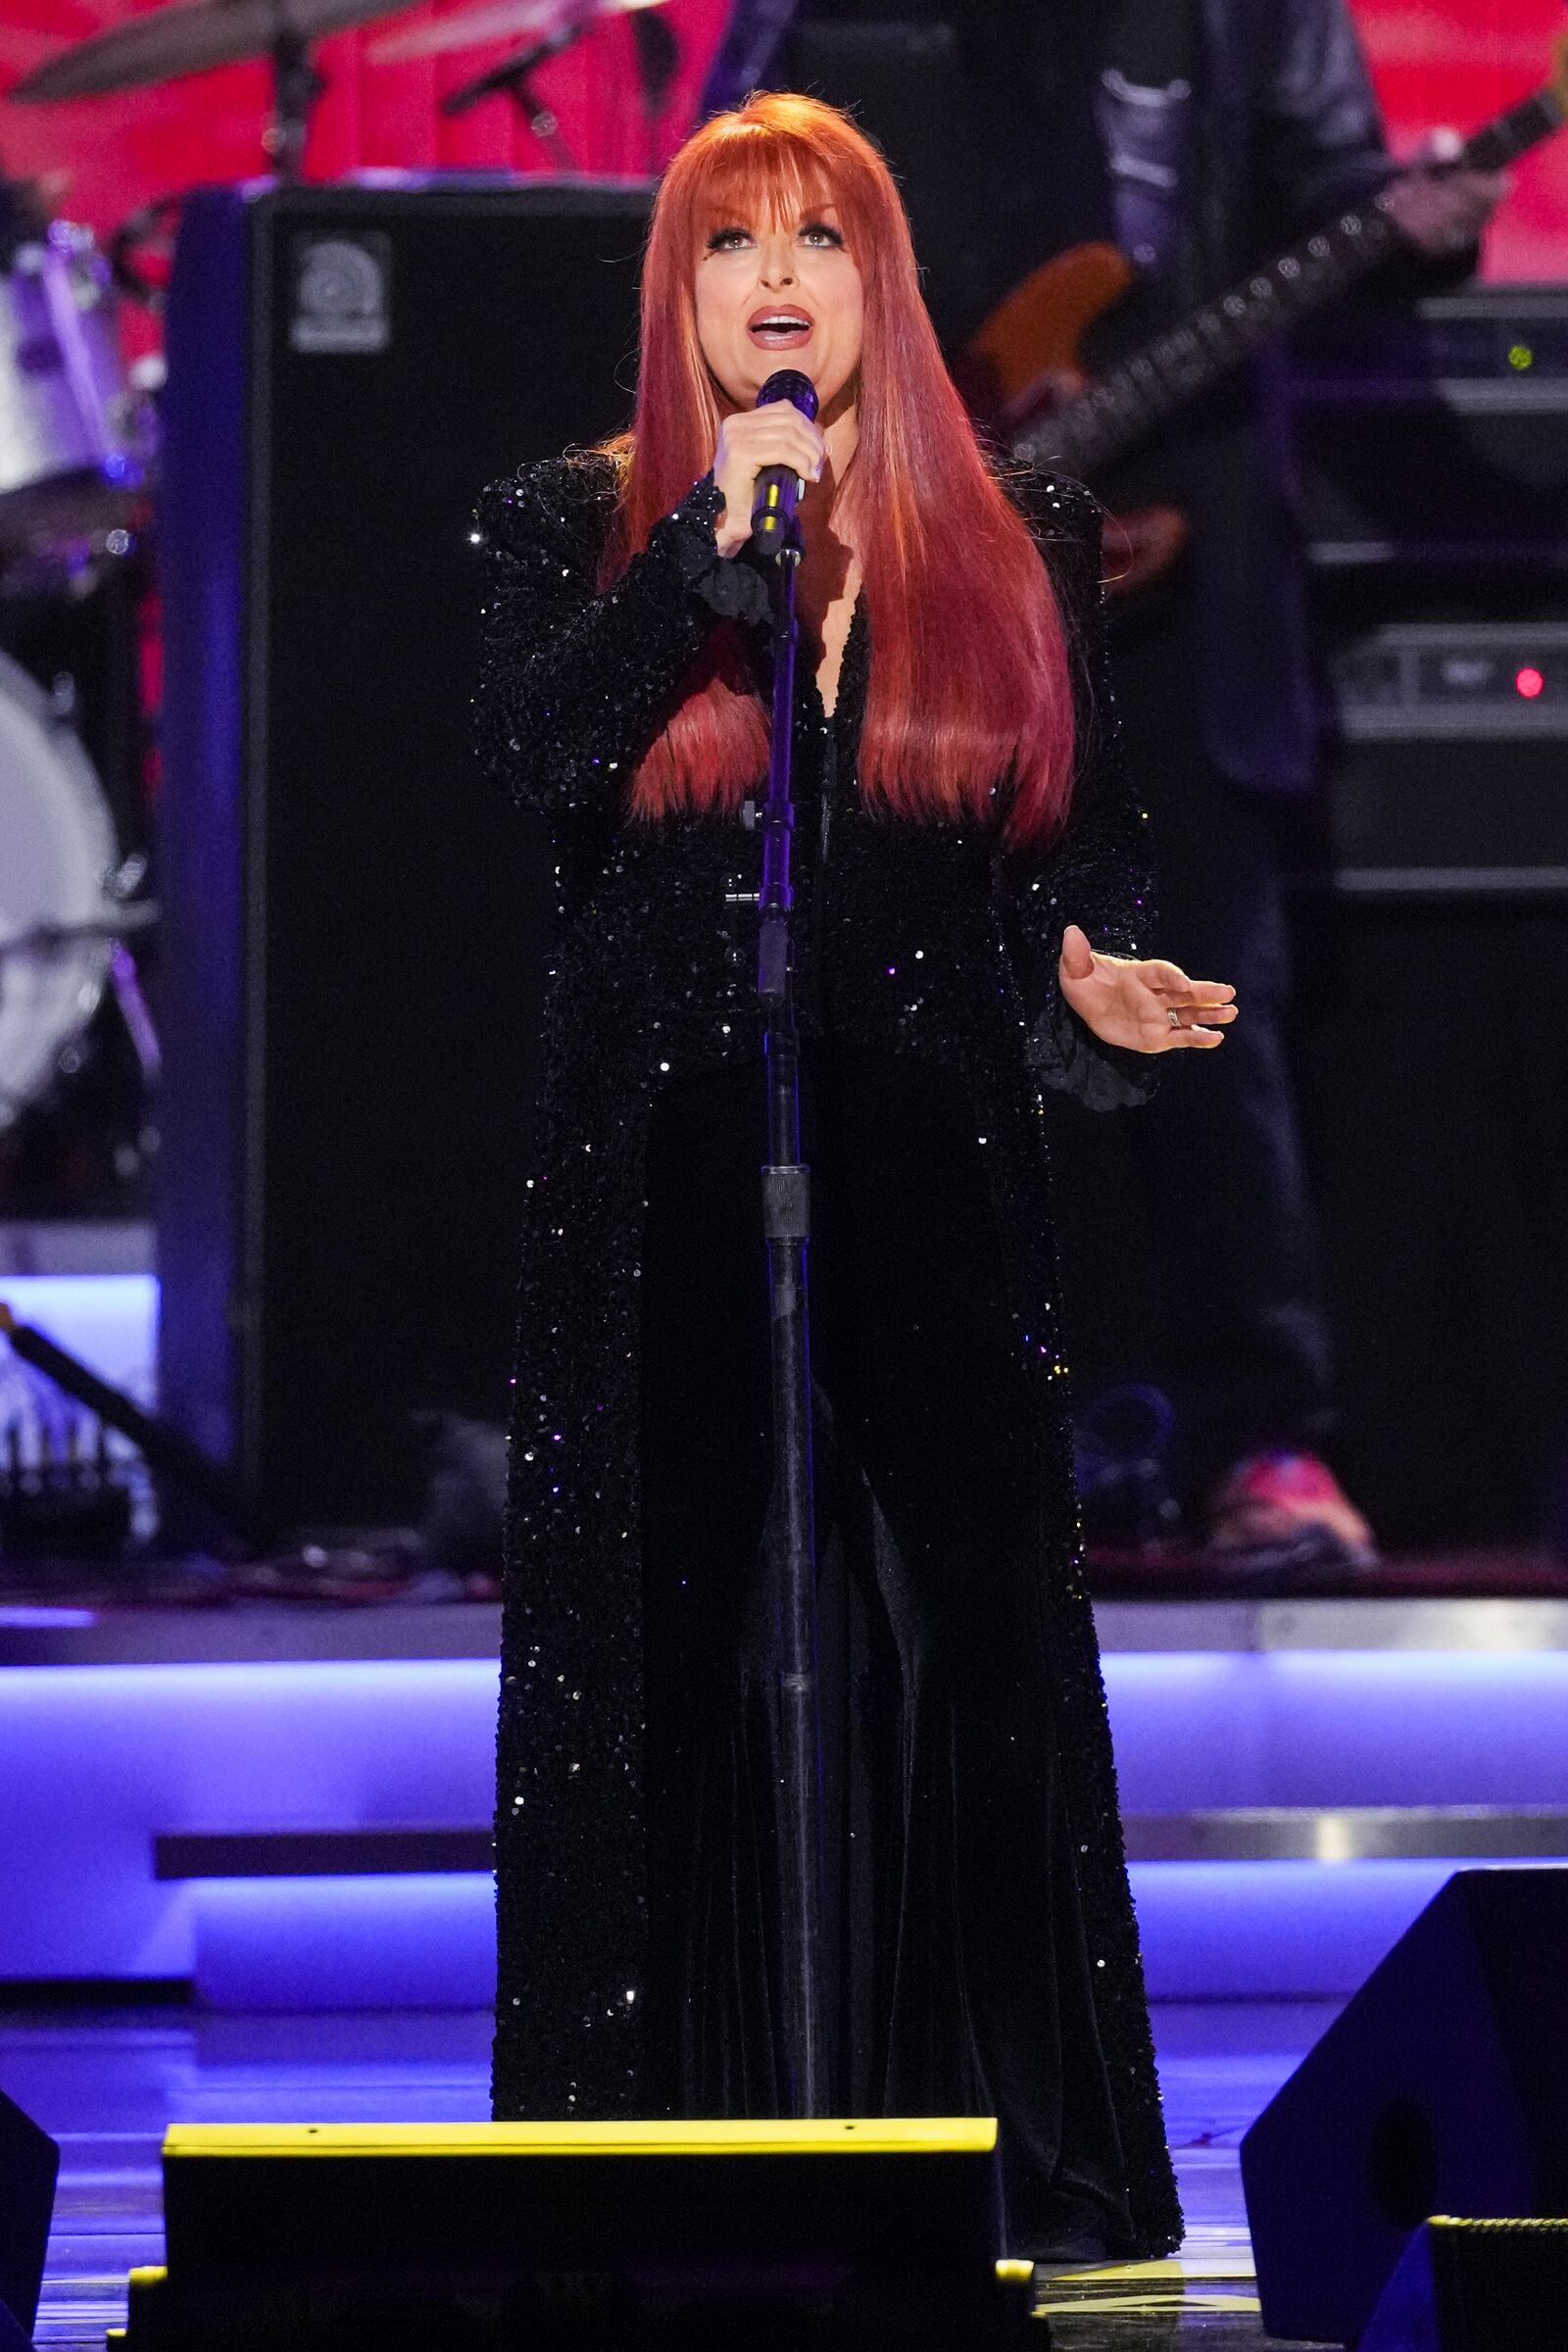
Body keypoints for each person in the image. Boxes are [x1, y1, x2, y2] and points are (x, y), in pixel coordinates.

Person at [473, 92, 1237, 2260]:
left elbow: (1057, 856)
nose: (777, 278)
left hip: (922, 1146)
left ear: (876, 281)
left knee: (963, 1637)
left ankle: (1015, 2164)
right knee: (677, 1645)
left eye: (818, 237)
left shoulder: (1016, 529)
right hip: (658, 1176)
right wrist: (701, 562)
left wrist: (1082, 969)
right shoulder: (570, 526)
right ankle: (654, 2172)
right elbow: (530, 761)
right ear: (678, 292)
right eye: (731, 245)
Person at [704, 1, 1502, 1572]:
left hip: (1171, 571)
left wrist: (1413, 225)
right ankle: (844, 1432)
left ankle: (1257, 1441)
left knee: (1199, 1006)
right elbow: (736, 230)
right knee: (868, 1013)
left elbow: (1323, 191)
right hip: (905, 556)